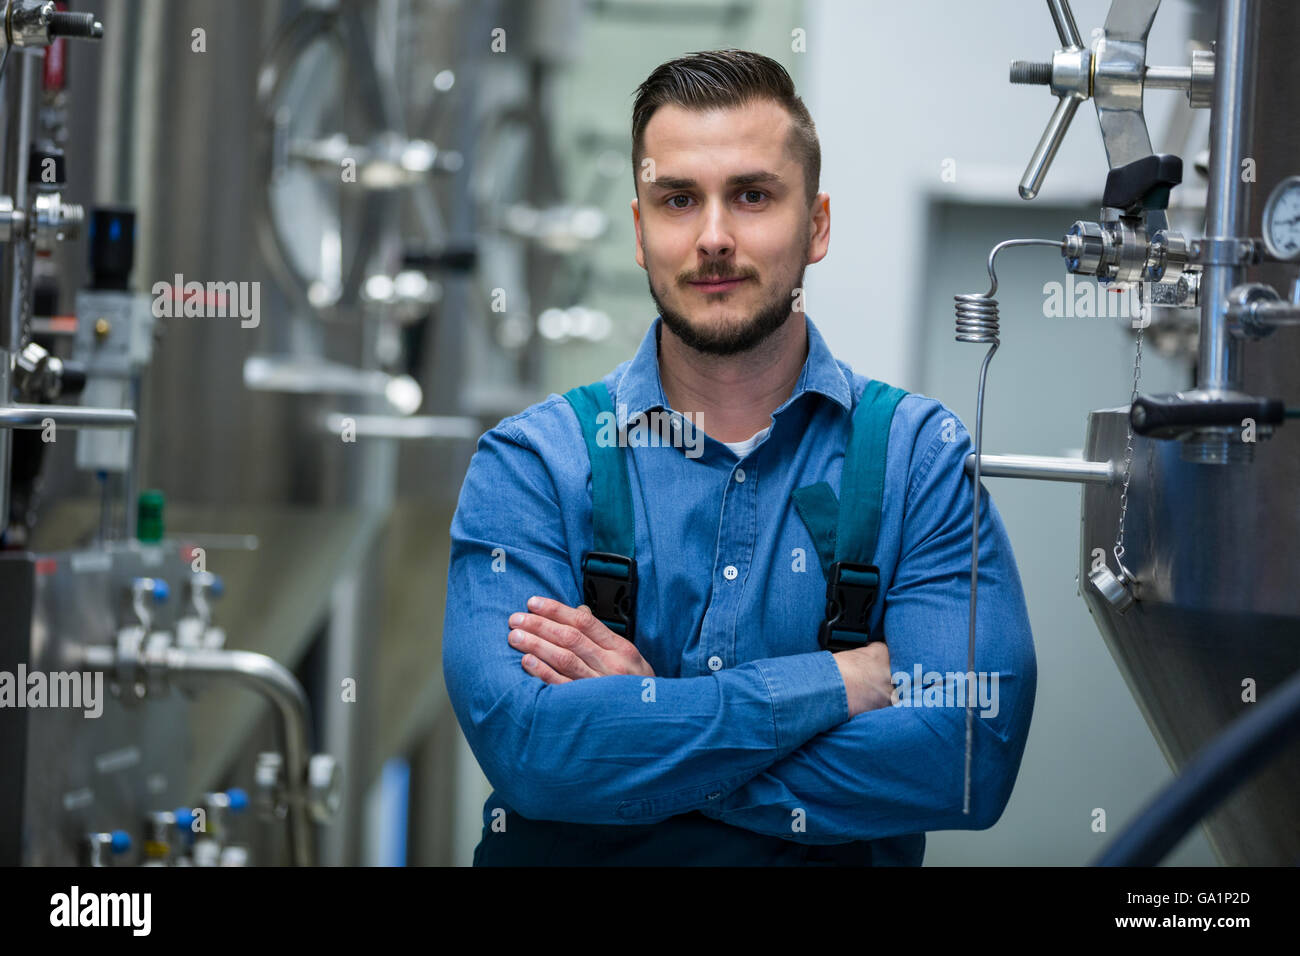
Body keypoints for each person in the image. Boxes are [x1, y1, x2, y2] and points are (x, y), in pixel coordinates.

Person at [442, 48, 1036, 866]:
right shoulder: (532, 467)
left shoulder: (918, 463)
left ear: (816, 224)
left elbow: (969, 759)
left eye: (752, 196)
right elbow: (533, 757)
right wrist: (834, 685)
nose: (714, 237)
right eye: (678, 199)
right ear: (640, 230)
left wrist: (642, 735)